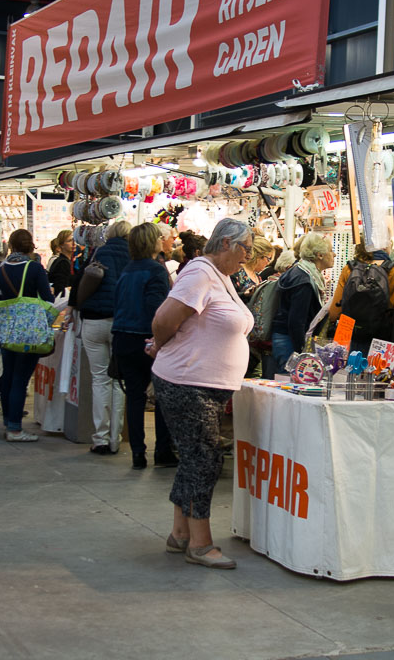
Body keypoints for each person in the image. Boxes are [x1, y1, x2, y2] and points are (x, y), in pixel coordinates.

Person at [149, 218, 254, 569]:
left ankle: (180, 534)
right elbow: (164, 318)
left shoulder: (219, 276)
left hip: (201, 384)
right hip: (187, 381)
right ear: (226, 243)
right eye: (245, 249)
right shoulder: (200, 273)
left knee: (197, 457)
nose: (248, 256)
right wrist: (160, 345)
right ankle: (200, 542)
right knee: (204, 460)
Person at [112, 223, 177, 470]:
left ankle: (138, 453)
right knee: (161, 396)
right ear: (153, 241)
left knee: (135, 396)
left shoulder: (127, 270)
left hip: (123, 338)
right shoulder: (156, 270)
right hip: (147, 339)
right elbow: (157, 310)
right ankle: (162, 450)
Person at [65, 220, 131, 454]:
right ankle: (115, 438)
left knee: (100, 379)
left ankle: (100, 438)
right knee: (117, 381)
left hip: (93, 320)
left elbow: (80, 281)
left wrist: (73, 309)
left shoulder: (99, 252)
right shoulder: (134, 256)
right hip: (121, 323)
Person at [0, 229, 53, 441]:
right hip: (29, 331)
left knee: (10, 376)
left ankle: (8, 421)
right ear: (30, 246)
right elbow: (48, 298)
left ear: (11, 246)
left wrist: (7, 304)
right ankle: (14, 428)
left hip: (7, 330)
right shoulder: (34, 268)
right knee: (21, 379)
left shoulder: (2, 269)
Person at [270, 232, 334, 372]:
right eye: (331, 250)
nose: (334, 255)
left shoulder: (300, 272)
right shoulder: (304, 280)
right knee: (289, 384)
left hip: (285, 338)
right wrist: (303, 351)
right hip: (290, 342)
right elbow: (296, 321)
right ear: (319, 255)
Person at [327, 242, 394, 354]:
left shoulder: (349, 269)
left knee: (347, 370)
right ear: (382, 246)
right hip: (381, 341)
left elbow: (334, 313)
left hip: (349, 337)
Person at [231, 234, 274, 301]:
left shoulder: (257, 276)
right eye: (268, 259)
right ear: (259, 256)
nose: (268, 263)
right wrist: (244, 294)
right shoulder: (236, 271)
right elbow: (228, 297)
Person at [47, 229, 75, 298]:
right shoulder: (63, 263)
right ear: (62, 245)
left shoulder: (65, 261)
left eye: (74, 240)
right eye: (69, 241)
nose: (73, 243)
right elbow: (59, 288)